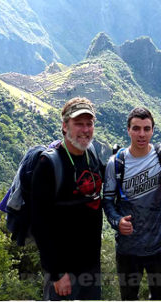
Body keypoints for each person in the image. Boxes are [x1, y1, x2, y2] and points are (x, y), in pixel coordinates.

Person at [30, 97, 105, 300]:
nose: (85, 129)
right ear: (65, 126)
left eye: (89, 124)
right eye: (78, 124)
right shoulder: (48, 165)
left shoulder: (91, 153)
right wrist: (56, 273)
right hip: (64, 271)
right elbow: (39, 224)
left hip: (91, 265)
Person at [102, 107, 161, 300]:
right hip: (129, 248)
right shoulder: (116, 163)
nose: (141, 134)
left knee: (160, 296)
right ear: (128, 130)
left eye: (146, 128)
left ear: (153, 130)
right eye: (136, 128)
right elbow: (108, 200)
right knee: (128, 297)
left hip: (159, 246)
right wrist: (117, 222)